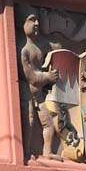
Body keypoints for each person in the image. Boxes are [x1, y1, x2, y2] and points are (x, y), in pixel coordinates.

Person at [18, 11, 63, 161]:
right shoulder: (23, 49)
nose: (36, 23)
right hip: (28, 91)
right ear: (22, 23)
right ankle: (25, 151)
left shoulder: (40, 46)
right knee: (29, 119)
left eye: (37, 20)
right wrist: (47, 76)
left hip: (39, 94)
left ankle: (47, 151)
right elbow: (30, 76)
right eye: (32, 20)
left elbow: (58, 48)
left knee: (48, 122)